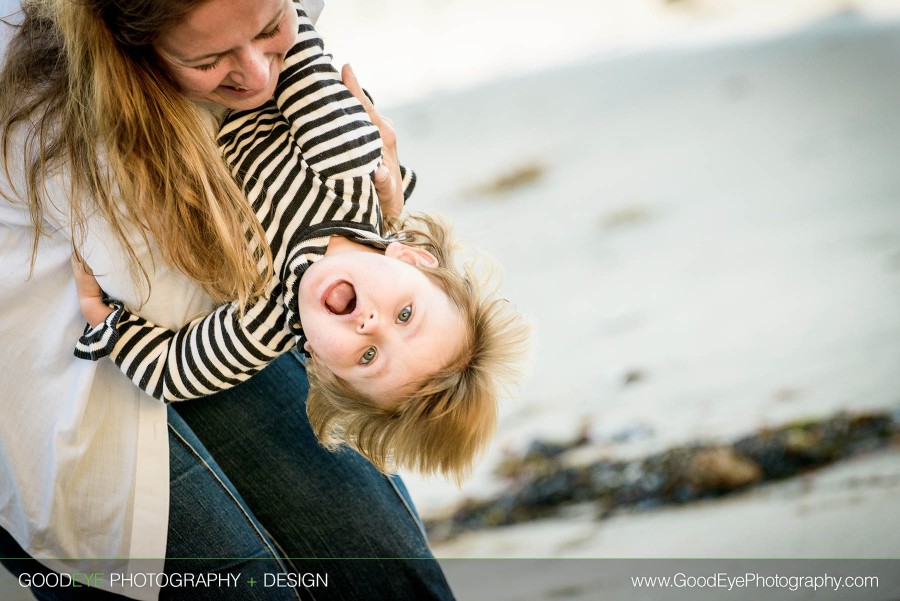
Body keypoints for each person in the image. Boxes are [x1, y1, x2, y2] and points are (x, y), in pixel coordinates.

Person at [0, 0, 457, 599]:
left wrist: (385, 224)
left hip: (184, 286)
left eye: (270, 26)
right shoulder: (67, 123)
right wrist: (111, 325)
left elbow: (302, 61)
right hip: (41, 362)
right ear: (132, 46)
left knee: (386, 568)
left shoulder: (274, 319)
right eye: (210, 58)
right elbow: (164, 334)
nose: (372, 323)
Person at [73, 6, 529, 482]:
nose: (371, 324)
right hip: (217, 84)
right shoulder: (348, 167)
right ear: (412, 260)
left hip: (170, 124)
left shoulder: (261, 327)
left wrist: (106, 322)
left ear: (326, 371)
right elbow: (292, 51)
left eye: (368, 357)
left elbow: (173, 374)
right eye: (405, 314)